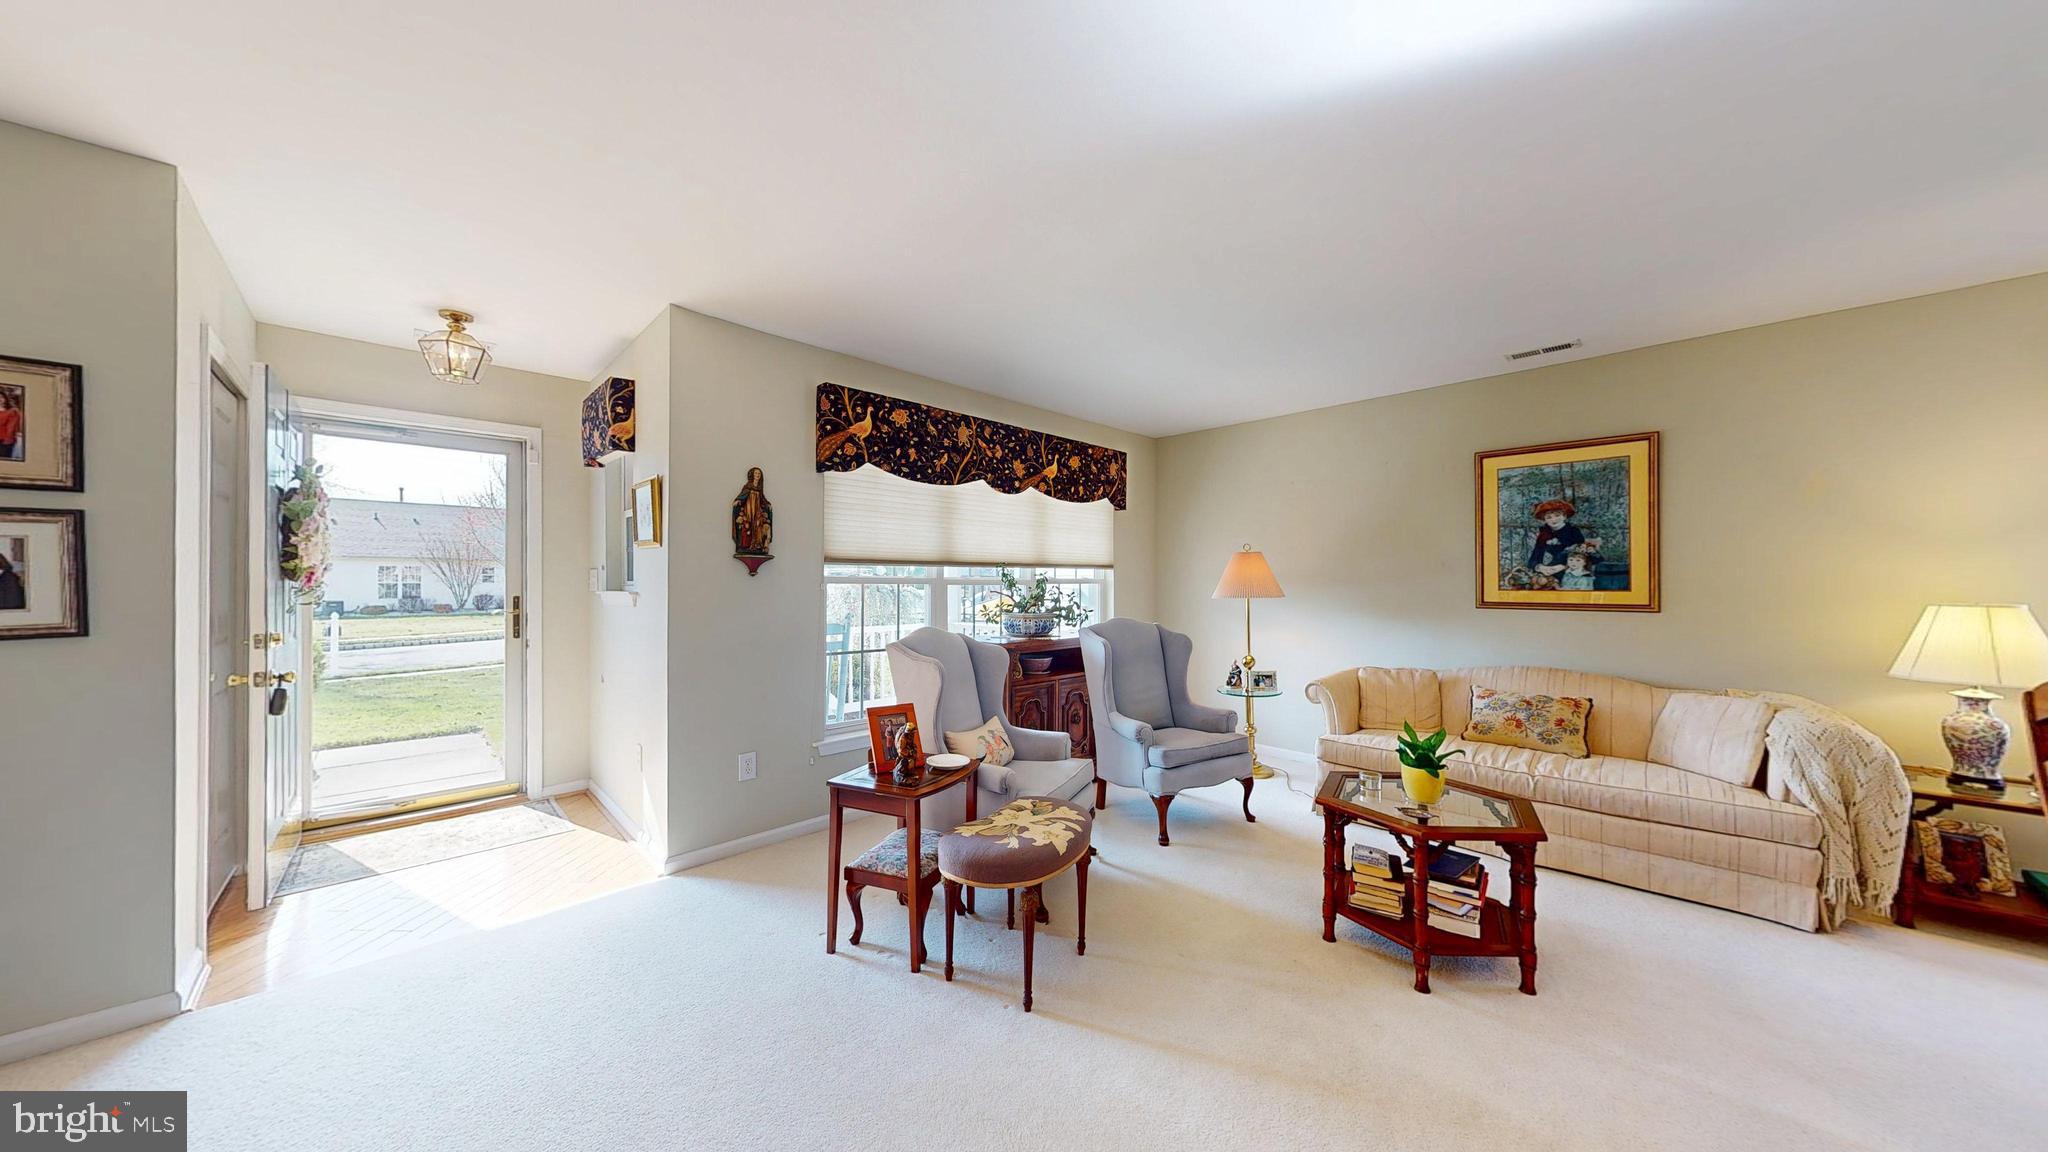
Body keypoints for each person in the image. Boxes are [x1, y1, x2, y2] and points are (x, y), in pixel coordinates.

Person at [1527, 499, 1600, 578]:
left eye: (1557, 515)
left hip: (1568, 572)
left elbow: (1582, 557)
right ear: (1544, 519)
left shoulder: (1573, 532)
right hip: (1546, 573)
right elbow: (1534, 558)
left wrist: (1563, 567)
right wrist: (1540, 567)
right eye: (1549, 517)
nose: (1553, 520)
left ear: (1564, 516)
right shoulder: (1544, 534)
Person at [0, 390, 22, 462]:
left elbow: (11, 428)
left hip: (4, 442)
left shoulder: (12, 411)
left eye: (1, 397)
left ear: (5, 398)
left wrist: (7, 442)